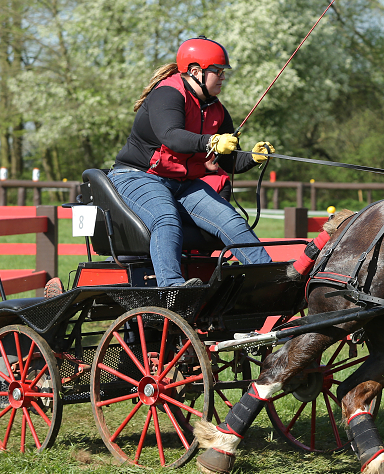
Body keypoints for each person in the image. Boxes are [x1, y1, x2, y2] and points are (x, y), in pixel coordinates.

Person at [106, 36, 275, 287]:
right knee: (166, 218)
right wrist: (211, 142)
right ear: (196, 72)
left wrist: (251, 157)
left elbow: (228, 164)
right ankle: (173, 287)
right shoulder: (167, 94)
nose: (223, 77)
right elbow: (171, 136)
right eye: (218, 71)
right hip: (137, 176)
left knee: (232, 221)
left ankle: (272, 279)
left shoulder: (217, 109)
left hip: (183, 183)